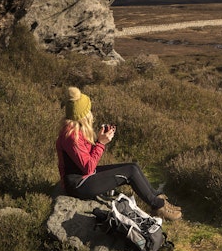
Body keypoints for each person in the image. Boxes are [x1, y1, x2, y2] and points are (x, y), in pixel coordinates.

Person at [56, 86, 182, 220]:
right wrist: (101, 143)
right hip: (78, 185)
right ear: (82, 114)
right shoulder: (71, 136)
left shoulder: (75, 130)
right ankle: (158, 207)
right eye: (88, 109)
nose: (90, 112)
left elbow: (85, 161)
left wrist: (99, 139)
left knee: (133, 167)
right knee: (130, 172)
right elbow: (88, 167)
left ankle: (158, 199)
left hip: (84, 176)